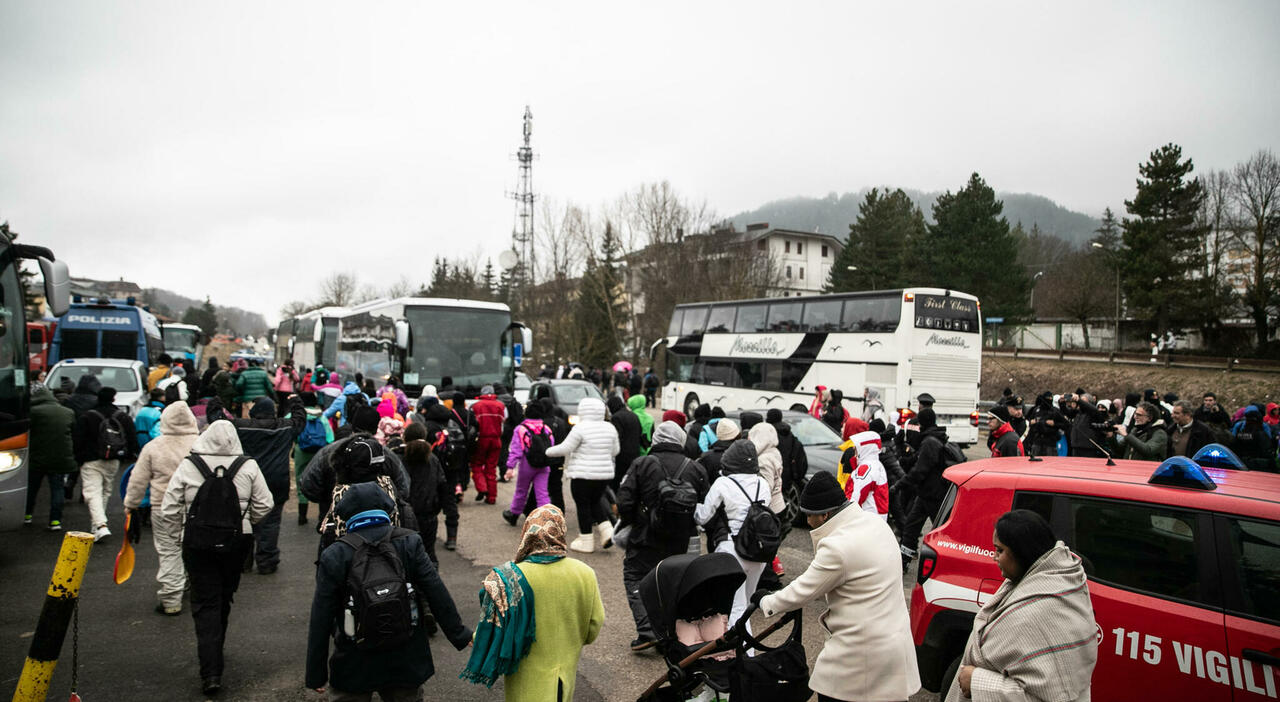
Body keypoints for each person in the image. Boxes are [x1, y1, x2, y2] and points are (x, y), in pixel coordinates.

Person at [757, 471, 920, 702]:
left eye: (808, 516)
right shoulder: (875, 523)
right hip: (894, 645)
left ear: (823, 515)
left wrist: (766, 601)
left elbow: (803, 590)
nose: (807, 522)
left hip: (859, 656)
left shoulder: (838, 547)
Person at [305, 482, 471, 701]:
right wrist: (459, 634)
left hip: (355, 659)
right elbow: (434, 589)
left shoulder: (335, 554)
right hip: (405, 655)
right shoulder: (409, 542)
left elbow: (321, 616)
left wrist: (316, 675)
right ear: (385, 508)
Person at [161, 420, 273, 695]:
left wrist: (179, 535)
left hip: (197, 544)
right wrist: (246, 522)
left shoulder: (190, 465)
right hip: (236, 543)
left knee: (204, 602)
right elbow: (265, 503)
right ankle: (217, 646)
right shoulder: (247, 466)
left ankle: (210, 669)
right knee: (224, 595)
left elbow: (169, 508)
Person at [947, 510, 1098, 702]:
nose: (994, 557)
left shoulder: (1037, 611)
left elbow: (1040, 697)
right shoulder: (1062, 580)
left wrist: (976, 680)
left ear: (1021, 552)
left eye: (999, 550)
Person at [462, 505, 604, 700]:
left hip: (526, 686)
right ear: (561, 532)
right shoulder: (585, 574)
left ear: (527, 532)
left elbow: (496, 627)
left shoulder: (512, 577)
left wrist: (475, 637)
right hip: (564, 679)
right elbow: (593, 627)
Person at [617, 421, 711, 651]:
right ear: (680, 440)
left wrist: (635, 522)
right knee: (672, 584)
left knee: (635, 576)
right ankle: (669, 633)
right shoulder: (695, 467)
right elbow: (704, 504)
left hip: (645, 536)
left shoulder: (642, 464)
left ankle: (648, 630)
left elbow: (624, 500)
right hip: (681, 539)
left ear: (656, 439)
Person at [207, 394, 305, 574]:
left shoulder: (240, 426)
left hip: (246, 481)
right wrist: (294, 401)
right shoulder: (284, 426)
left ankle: (244, 560)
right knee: (271, 522)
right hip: (277, 481)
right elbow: (300, 419)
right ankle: (267, 561)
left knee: (244, 518)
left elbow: (217, 422)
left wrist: (217, 402)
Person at [124, 401, 200, 615]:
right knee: (193, 548)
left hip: (162, 506)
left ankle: (171, 598)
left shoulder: (154, 446)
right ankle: (191, 585)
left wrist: (131, 505)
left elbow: (138, 480)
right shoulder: (201, 444)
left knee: (169, 550)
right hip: (196, 506)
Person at [694, 439, 770, 631]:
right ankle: (745, 653)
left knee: (735, 608)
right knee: (746, 606)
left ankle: (743, 655)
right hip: (759, 552)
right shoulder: (763, 483)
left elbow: (703, 517)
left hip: (732, 551)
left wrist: (693, 507)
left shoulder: (723, 483)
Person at [545, 397, 619, 553]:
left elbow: (566, 447)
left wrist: (548, 451)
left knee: (583, 505)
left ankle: (586, 540)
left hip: (582, 475)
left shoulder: (580, 428)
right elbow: (615, 451)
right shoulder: (610, 428)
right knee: (595, 501)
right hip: (603, 475)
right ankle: (607, 531)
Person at [75, 386, 140, 541]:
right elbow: (132, 439)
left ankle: (100, 525)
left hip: (91, 459)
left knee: (92, 492)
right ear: (113, 398)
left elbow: (78, 440)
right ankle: (96, 527)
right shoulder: (122, 416)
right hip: (114, 459)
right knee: (105, 491)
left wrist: (78, 458)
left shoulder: (88, 416)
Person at [897, 408, 955, 570]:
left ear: (922, 422)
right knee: (912, 526)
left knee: (941, 529)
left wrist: (898, 485)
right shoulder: (934, 438)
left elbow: (920, 470)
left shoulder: (929, 442)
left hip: (933, 494)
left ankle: (947, 560)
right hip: (928, 493)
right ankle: (904, 560)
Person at [402, 422, 458, 564]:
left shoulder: (400, 457)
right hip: (429, 514)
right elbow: (442, 486)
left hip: (406, 514)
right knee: (428, 553)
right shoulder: (432, 459)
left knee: (407, 555)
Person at [25, 383, 76, 531]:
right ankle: (55, 521)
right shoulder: (67, 412)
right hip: (61, 457)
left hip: (37, 456)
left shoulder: (32, 412)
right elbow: (73, 432)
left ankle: (27, 515)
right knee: (57, 489)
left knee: (32, 487)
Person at [503, 402, 554, 526]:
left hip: (527, 464)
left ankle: (514, 514)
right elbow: (551, 445)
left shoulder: (521, 429)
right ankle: (546, 519)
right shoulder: (546, 428)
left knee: (521, 491)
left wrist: (510, 467)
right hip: (544, 464)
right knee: (542, 493)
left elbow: (516, 450)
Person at [294, 391, 334, 526]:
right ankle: (321, 516)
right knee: (321, 479)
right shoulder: (321, 417)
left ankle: (302, 515)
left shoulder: (297, 416)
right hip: (320, 452)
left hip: (301, 450)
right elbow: (330, 437)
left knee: (300, 477)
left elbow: (289, 429)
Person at [468, 385, 506, 504]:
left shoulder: (475, 406)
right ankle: (492, 497)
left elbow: (472, 424)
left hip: (481, 439)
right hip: (496, 440)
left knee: (477, 465)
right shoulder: (501, 405)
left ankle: (482, 488)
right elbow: (504, 422)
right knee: (491, 468)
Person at [608, 394, 643, 491]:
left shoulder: (616, 417)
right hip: (635, 453)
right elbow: (640, 432)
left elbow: (617, 437)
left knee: (616, 482)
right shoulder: (634, 415)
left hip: (622, 456)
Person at [1230, 405, 1276, 472]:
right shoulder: (1260, 434)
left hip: (1241, 466)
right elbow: (1267, 452)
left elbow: (1234, 449)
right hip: (1258, 468)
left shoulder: (1240, 433)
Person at [1025, 391, 1067, 457]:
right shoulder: (1036, 410)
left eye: (1050, 399)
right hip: (1037, 441)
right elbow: (1027, 422)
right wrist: (1031, 422)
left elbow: (1066, 425)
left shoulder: (1055, 411)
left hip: (1050, 442)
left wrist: (1055, 424)